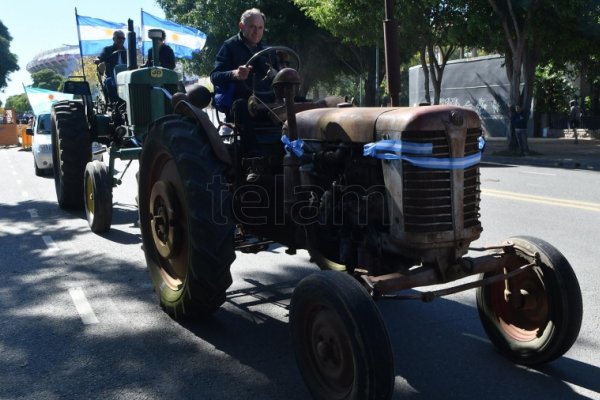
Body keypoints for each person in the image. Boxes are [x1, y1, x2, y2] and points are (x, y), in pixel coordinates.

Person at [210, 8, 279, 119]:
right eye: (252, 27)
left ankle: (292, 136)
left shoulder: (269, 51)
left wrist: (278, 75)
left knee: (299, 103)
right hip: (241, 104)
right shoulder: (229, 46)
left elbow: (280, 79)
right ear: (241, 26)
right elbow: (215, 77)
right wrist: (235, 74)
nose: (256, 32)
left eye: (260, 28)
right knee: (241, 106)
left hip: (269, 104)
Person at [94, 30, 127, 102]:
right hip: (111, 76)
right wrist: (98, 60)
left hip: (125, 78)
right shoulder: (107, 50)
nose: (121, 40)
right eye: (119, 38)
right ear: (114, 39)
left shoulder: (127, 52)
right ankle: (114, 104)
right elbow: (101, 57)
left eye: (123, 38)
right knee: (109, 82)